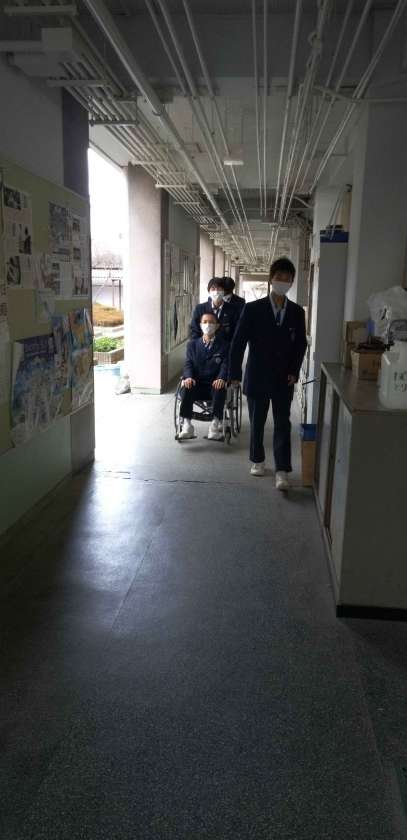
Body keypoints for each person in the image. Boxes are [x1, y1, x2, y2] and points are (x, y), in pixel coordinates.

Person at [229, 257, 307, 491]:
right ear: (271, 279)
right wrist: (234, 373)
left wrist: (294, 371)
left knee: (283, 423)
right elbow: (238, 342)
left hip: (284, 378)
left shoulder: (296, 312)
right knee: (257, 421)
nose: (283, 281)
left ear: (292, 282)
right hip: (257, 375)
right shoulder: (253, 309)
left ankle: (282, 470)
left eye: (287, 278)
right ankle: (258, 460)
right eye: (279, 277)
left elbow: (300, 344)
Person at [179, 311, 229, 441]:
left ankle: (214, 426)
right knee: (187, 386)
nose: (208, 325)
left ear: (217, 326)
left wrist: (221, 378)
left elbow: (225, 365)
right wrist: (188, 377)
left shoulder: (224, 345)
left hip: (214, 384)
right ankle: (187, 426)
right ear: (200, 325)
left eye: (211, 322)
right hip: (197, 384)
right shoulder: (192, 345)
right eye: (205, 322)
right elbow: (188, 363)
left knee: (220, 387)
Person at [190, 277, 239, 343]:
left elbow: (236, 333)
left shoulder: (233, 310)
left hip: (225, 347)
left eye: (219, 289)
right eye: (213, 289)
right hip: (204, 347)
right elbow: (194, 330)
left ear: (224, 291)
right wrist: (197, 346)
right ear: (209, 291)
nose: (216, 292)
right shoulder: (200, 309)